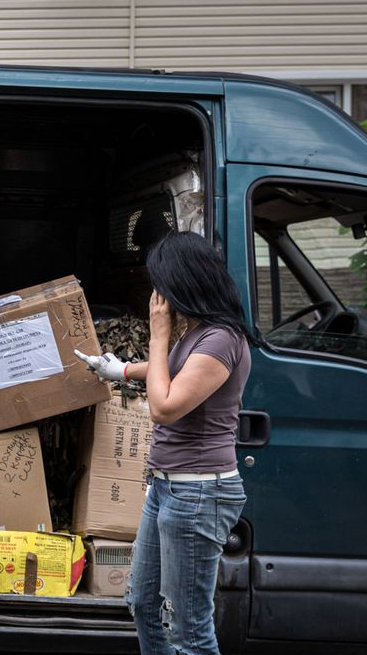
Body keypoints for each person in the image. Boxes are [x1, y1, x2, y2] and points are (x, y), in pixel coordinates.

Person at [76, 232, 255, 655]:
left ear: (184, 283)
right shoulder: (196, 334)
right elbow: (170, 373)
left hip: (198, 493)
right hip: (168, 487)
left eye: (161, 284)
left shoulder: (221, 340)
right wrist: (118, 370)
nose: (156, 296)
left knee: (188, 628)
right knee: (142, 602)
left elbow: (165, 406)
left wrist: (158, 334)